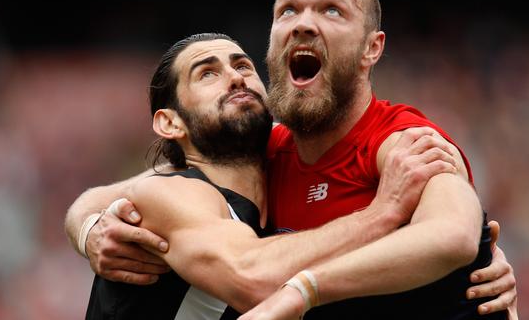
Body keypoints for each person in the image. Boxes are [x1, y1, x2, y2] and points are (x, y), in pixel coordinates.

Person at [65, 0, 517, 319]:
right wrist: (90, 230)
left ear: (371, 48)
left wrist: (303, 290)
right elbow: (110, 195)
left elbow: (456, 236)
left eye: (331, 9)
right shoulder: (266, 155)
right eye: (288, 10)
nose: (303, 23)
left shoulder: (402, 143)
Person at [86, 32, 462, 319]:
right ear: (170, 122)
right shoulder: (173, 194)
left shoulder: (282, 184)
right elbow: (252, 277)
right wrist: (385, 212)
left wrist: (464, 277)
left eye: (243, 66)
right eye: (208, 74)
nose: (234, 78)